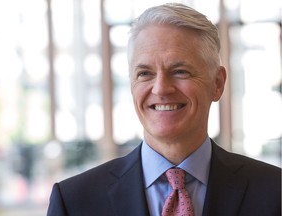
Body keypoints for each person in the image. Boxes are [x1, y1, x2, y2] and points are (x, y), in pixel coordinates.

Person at [47, 3, 281, 216]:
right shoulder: (75, 201)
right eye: (145, 74)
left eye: (180, 71)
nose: (161, 89)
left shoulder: (274, 193)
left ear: (217, 84)